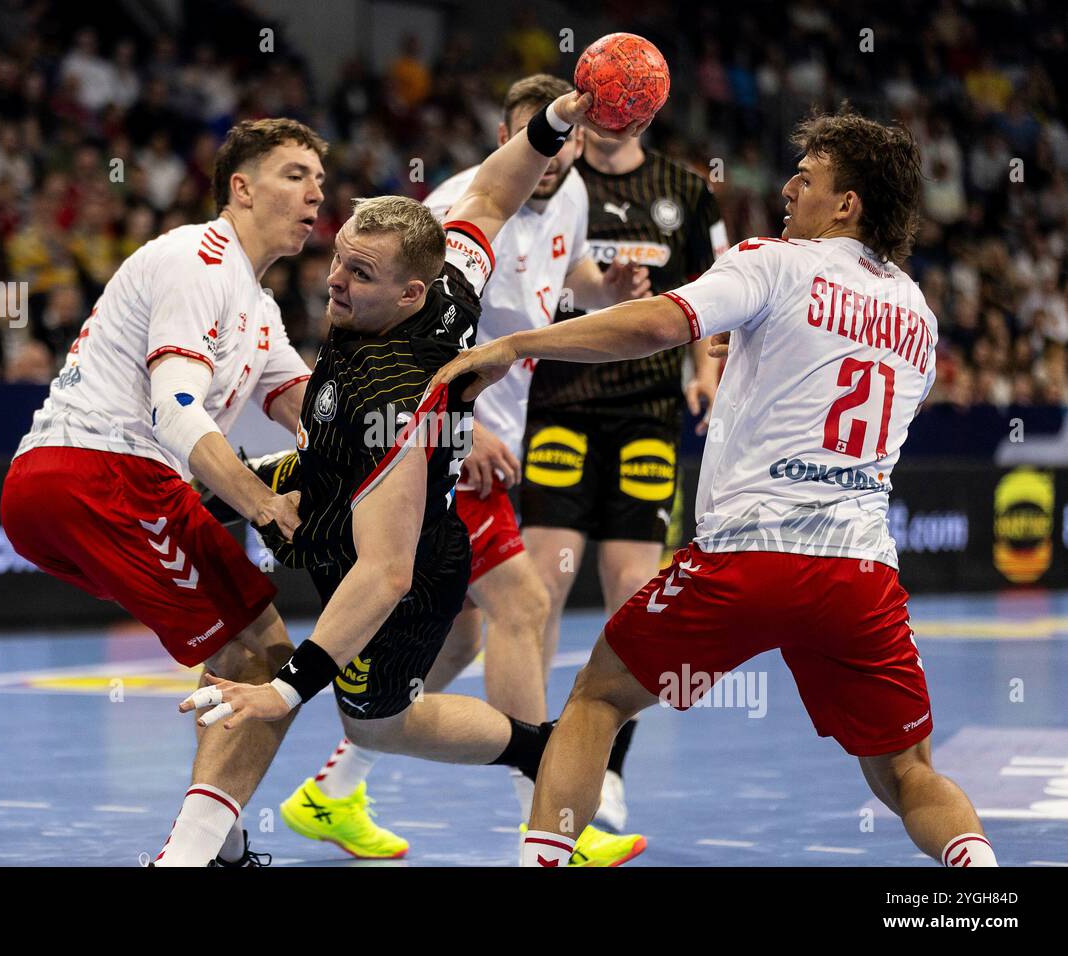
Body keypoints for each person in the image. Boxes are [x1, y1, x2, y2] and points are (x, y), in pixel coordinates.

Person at [433, 108, 996, 868]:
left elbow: (656, 325)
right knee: (906, 772)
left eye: (808, 177)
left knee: (596, 699)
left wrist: (513, 345)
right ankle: (984, 887)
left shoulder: (773, 261)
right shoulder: (919, 317)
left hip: (749, 558)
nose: (789, 187)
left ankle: (541, 861)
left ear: (847, 205)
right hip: (860, 574)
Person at [183, 88, 646, 866]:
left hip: (403, 543)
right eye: (338, 259)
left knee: (384, 718)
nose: (332, 283)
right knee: (473, 630)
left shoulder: (396, 398)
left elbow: (386, 573)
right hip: (356, 483)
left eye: (356, 274)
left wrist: (286, 691)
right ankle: (251, 819)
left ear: (408, 295)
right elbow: (494, 194)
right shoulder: (441, 273)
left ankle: (540, 767)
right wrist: (558, 122)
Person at [0, 118, 326, 867]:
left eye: (318, 178)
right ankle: (187, 859)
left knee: (246, 652)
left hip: (71, 483)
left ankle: (221, 840)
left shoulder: (256, 300)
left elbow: (301, 405)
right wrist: (259, 500)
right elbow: (173, 406)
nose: (315, 192)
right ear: (240, 188)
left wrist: (395, 436)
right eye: (294, 174)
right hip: (103, 472)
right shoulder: (196, 258)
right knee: (267, 655)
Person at [521, 107, 729, 831]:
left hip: (647, 410)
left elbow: (717, 288)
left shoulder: (686, 187)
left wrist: (704, 371)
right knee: (539, 589)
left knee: (633, 591)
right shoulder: (556, 179)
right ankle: (541, 760)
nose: (612, 115)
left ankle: (607, 764)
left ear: (643, 107)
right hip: (559, 401)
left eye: (625, 102)